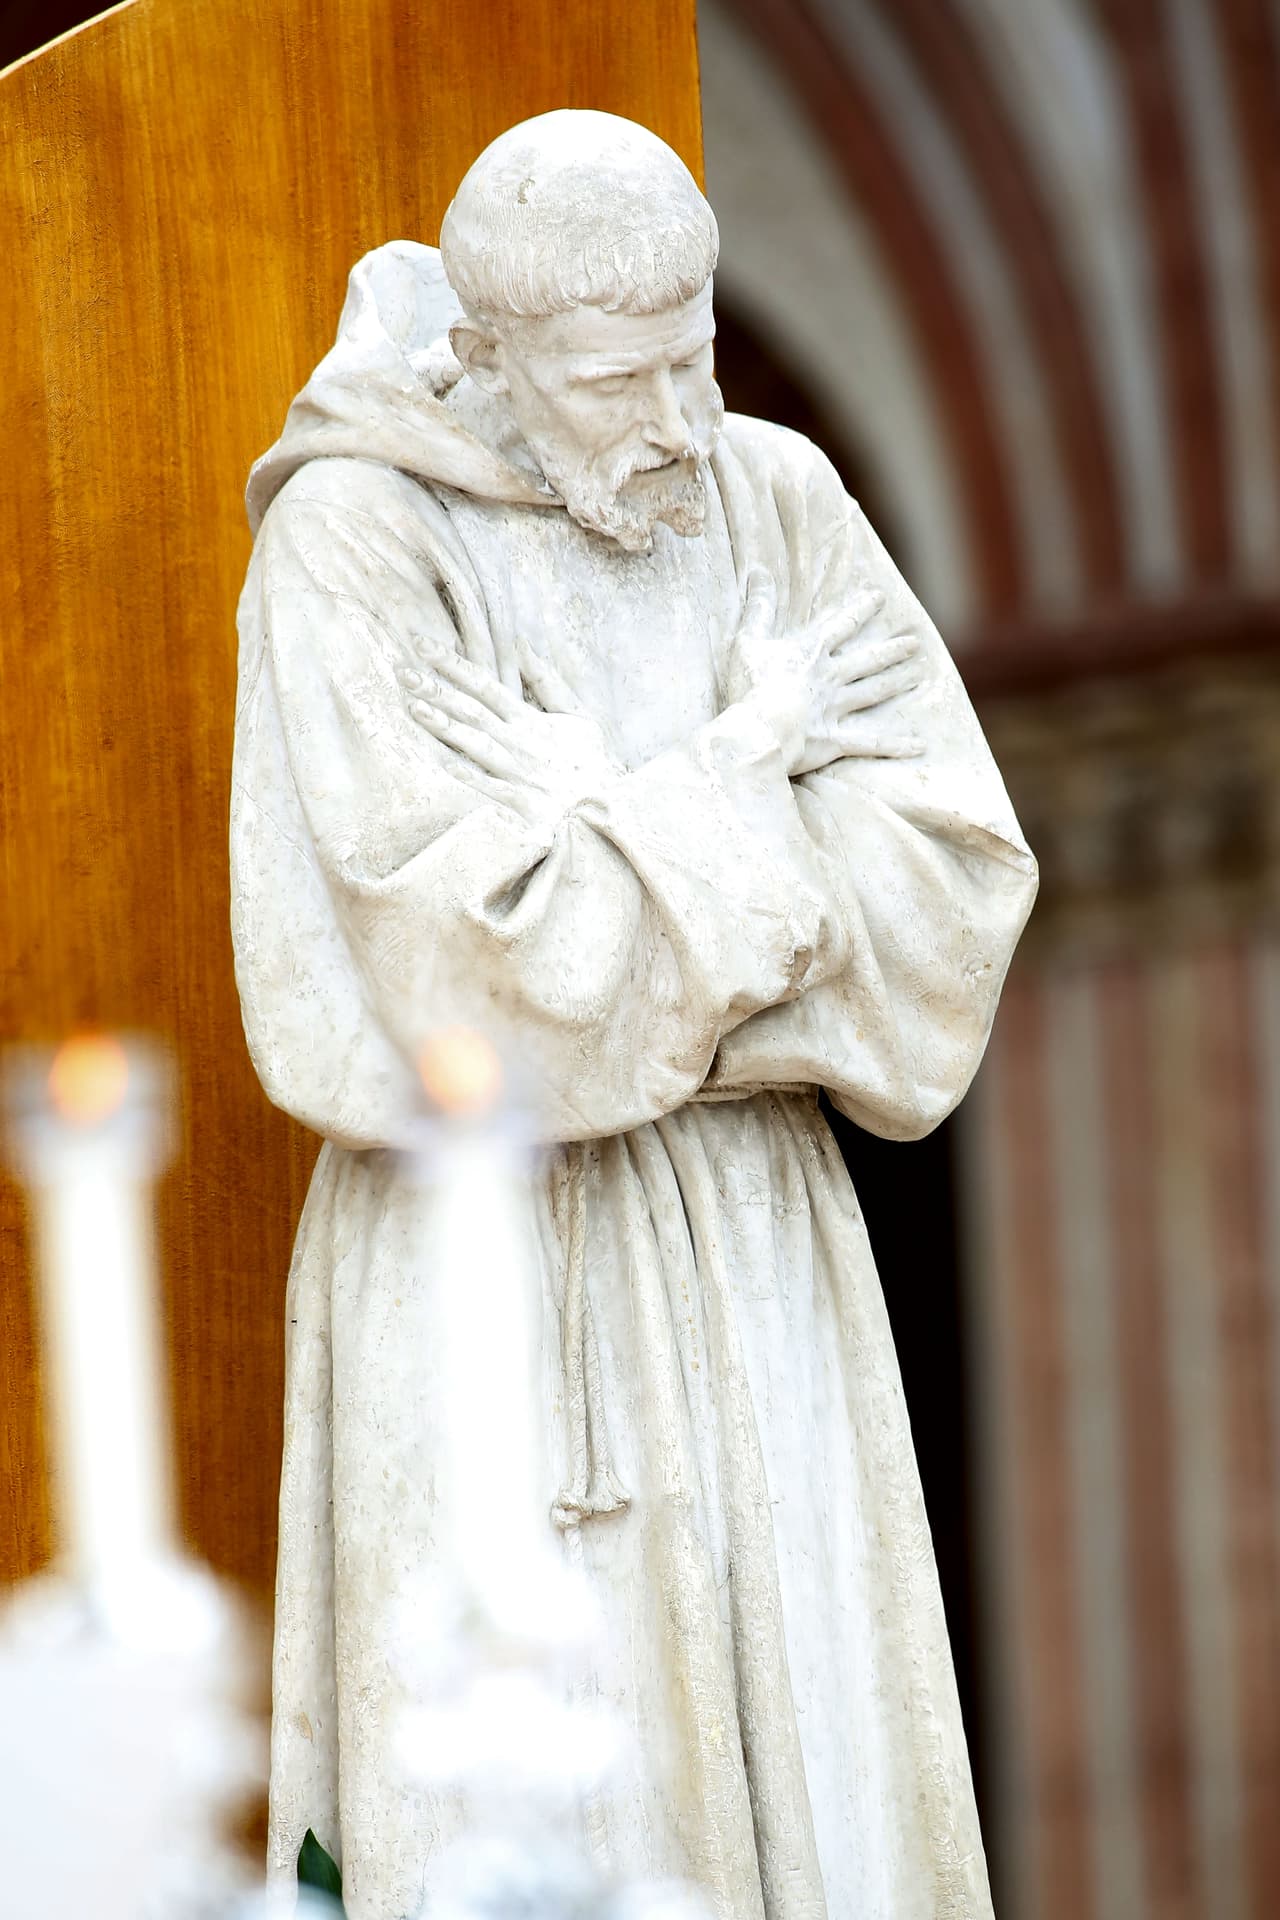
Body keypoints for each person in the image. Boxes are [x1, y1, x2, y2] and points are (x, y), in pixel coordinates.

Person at [231, 109, 1036, 1920]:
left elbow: (947, 889)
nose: (678, 422)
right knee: (534, 1796)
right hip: (484, 1267)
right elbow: (454, 970)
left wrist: (611, 826)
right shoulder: (360, 542)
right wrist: (746, 771)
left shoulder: (777, 499)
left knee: (819, 1778)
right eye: (618, 381)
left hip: (764, 1255)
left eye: (698, 357)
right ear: (492, 360)